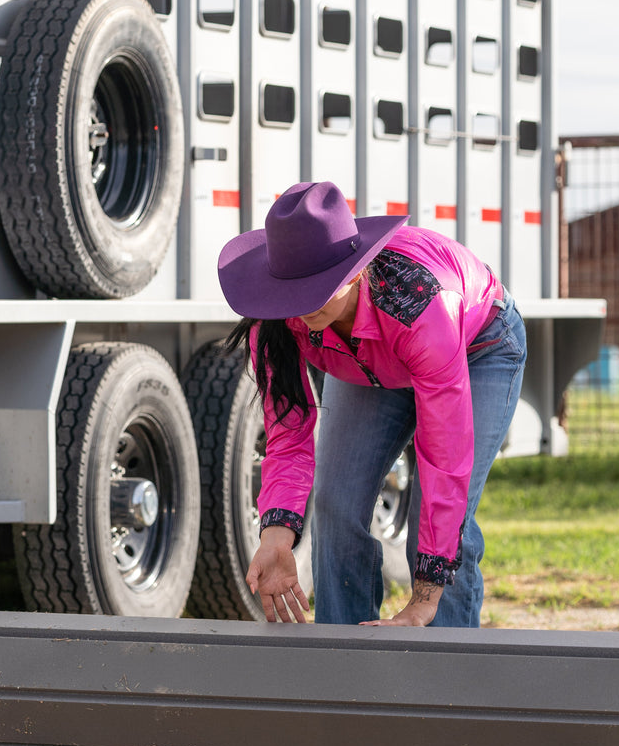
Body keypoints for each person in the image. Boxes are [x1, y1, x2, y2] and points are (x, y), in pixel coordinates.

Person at [217, 180, 526, 629]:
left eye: (316, 290)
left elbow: (446, 461)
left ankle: (448, 673)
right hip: (370, 361)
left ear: (356, 270)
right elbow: (288, 437)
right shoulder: (277, 320)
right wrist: (276, 537)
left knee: (436, 514)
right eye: (292, 293)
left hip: (478, 348)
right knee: (335, 505)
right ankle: (345, 667)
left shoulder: (420, 306)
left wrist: (423, 598)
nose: (301, 308)